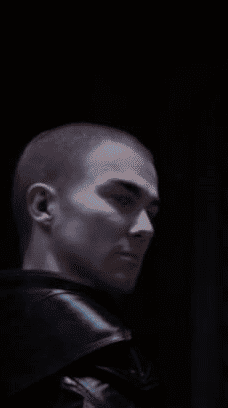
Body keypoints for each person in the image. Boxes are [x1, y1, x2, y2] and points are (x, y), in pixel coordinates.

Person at [0, 123, 162, 406]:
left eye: (150, 212)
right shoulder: (87, 382)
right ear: (43, 206)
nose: (146, 228)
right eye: (123, 200)